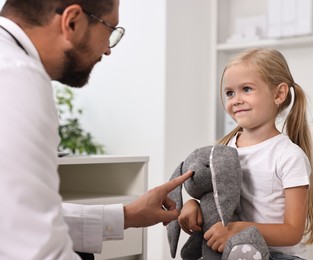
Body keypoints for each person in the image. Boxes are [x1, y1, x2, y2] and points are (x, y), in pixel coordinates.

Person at [0, 0, 192, 259]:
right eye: (110, 29)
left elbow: (17, 215)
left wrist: (126, 215)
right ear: (72, 22)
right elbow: (37, 248)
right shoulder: (17, 78)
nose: (108, 49)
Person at [178, 48, 313, 259]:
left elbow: (292, 232)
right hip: (234, 248)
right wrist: (192, 205)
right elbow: (214, 196)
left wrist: (238, 228)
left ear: (279, 94)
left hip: (278, 255)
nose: (236, 100)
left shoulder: (289, 156)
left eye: (247, 89)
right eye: (230, 93)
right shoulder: (224, 150)